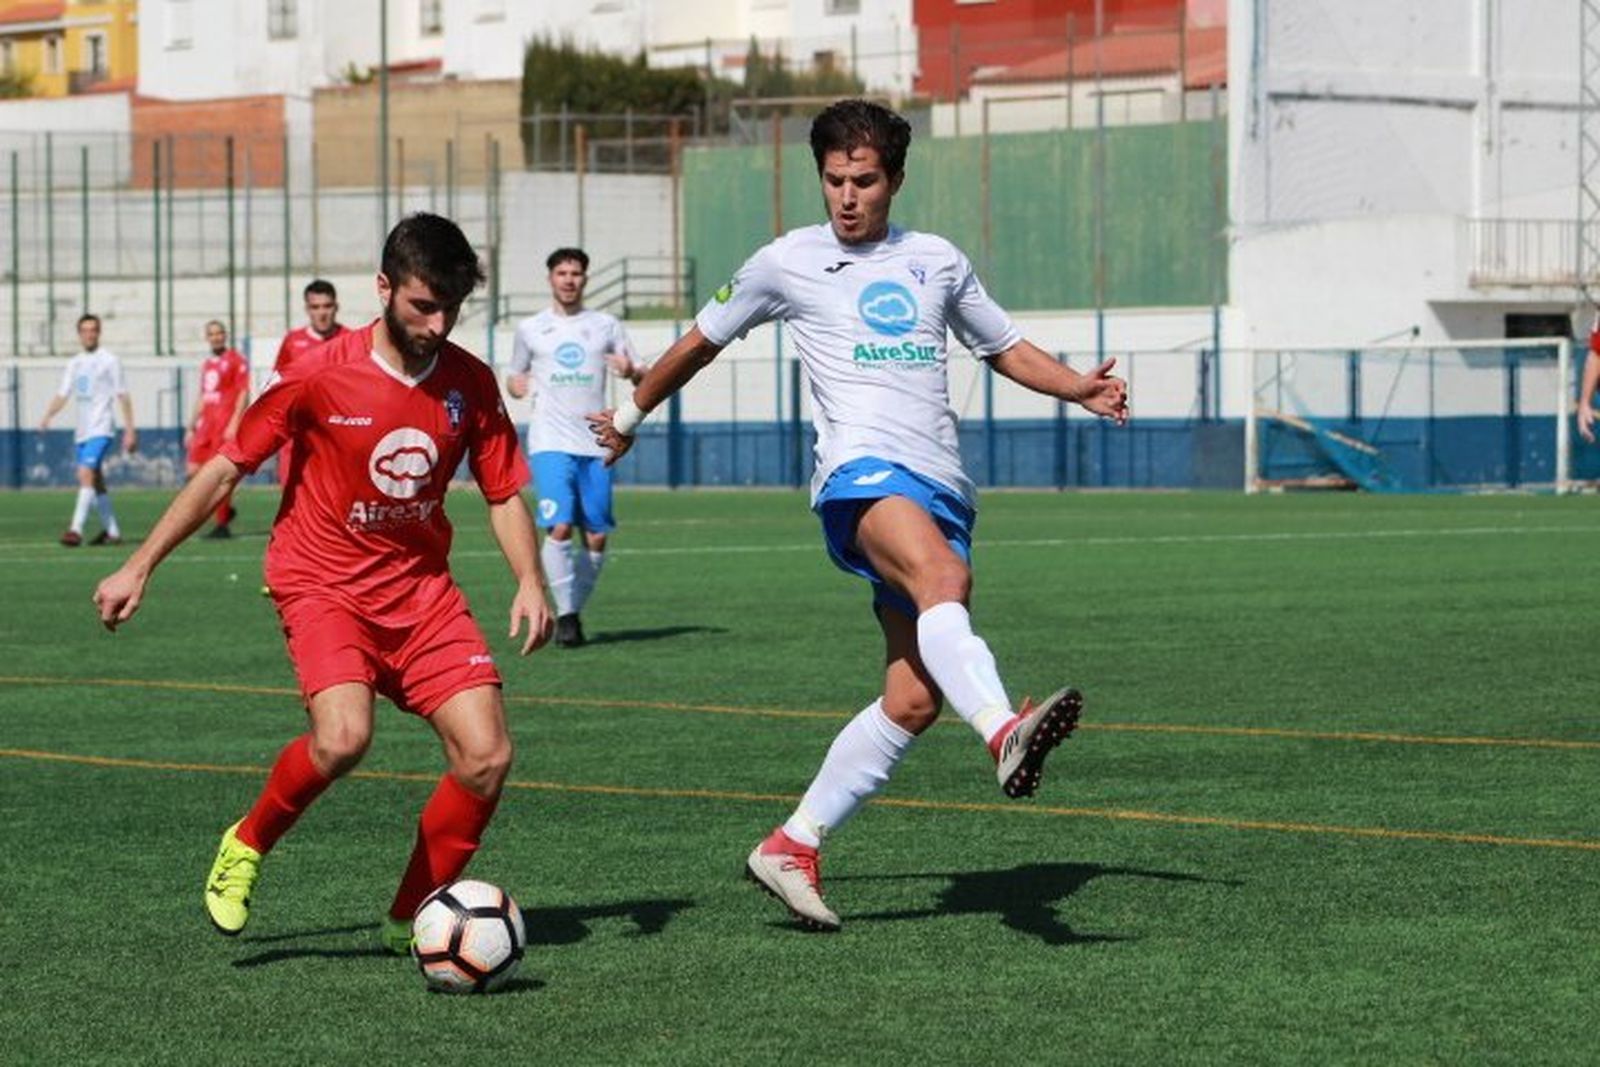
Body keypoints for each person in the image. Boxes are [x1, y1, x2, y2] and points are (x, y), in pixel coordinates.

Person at [590, 100, 1130, 932]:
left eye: (865, 181)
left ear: (896, 180)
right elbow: (701, 339)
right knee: (943, 577)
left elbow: (1004, 346)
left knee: (912, 698)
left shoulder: (936, 260)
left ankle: (792, 844)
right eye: (835, 180)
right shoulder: (787, 260)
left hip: (941, 485)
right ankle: (1002, 732)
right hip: (859, 475)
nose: (847, 197)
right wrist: (629, 418)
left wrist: (1080, 388)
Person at [93, 213, 553, 954]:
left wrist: (529, 579)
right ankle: (247, 840)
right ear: (383, 288)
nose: (437, 324)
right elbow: (225, 466)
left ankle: (413, 919)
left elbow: (501, 490)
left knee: (487, 756)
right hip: (322, 582)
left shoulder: (470, 383)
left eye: (450, 309)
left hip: (420, 592)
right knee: (343, 737)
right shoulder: (314, 372)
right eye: (421, 306)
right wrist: (138, 563)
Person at [506, 247, 646, 648]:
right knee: (561, 525)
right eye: (562, 273)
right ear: (550, 278)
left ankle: (570, 609)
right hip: (550, 441)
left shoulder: (605, 325)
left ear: (585, 279)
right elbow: (514, 377)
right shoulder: (531, 329)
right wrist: (518, 387)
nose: (569, 279)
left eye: (576, 273)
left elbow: (644, 374)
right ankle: (567, 619)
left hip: (597, 442)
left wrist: (630, 369)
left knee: (597, 537)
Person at [39, 313, 136, 547]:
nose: (89, 334)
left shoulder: (110, 360)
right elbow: (63, 394)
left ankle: (75, 530)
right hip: (82, 431)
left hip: (101, 428)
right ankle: (113, 533)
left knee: (84, 474)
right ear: (79, 334)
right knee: (96, 480)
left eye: (93, 329)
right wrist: (47, 416)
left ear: (99, 332)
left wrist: (130, 430)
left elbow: (123, 395)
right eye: (85, 330)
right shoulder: (74, 363)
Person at [271, 279, 348, 485]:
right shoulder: (293, 341)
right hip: (297, 434)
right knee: (292, 497)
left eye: (327, 306)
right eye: (315, 307)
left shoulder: (351, 340)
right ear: (307, 309)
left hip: (337, 435)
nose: (322, 313)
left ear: (336, 307)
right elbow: (277, 385)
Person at [183, 320, 251, 538]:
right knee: (193, 470)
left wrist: (235, 422)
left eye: (219, 333)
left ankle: (222, 523)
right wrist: (191, 424)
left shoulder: (236, 360)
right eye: (212, 334)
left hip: (223, 424)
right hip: (206, 425)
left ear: (225, 335)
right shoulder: (208, 364)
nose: (216, 337)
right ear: (207, 337)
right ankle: (226, 510)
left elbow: (243, 392)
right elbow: (203, 395)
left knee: (220, 474)